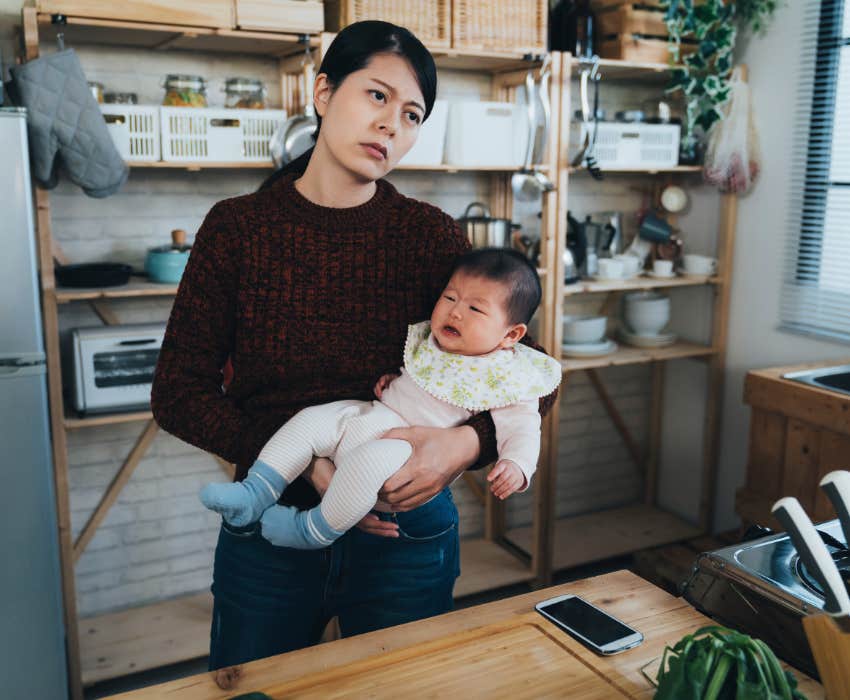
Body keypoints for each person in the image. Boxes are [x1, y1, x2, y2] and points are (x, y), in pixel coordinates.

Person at [151, 20, 558, 670]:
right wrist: (305, 463)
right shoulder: (238, 229)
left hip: (407, 531)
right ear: (322, 92)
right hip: (270, 532)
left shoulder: (431, 238)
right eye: (376, 96)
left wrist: (464, 446)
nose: (392, 124)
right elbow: (178, 394)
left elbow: (534, 376)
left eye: (412, 113)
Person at [199, 248, 561, 549]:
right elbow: (418, 379)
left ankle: (312, 530)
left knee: (366, 465)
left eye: (476, 309)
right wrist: (396, 380)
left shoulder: (509, 376)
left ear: (511, 334)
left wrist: (517, 465)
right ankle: (256, 491)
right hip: (372, 415)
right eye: (450, 297)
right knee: (310, 421)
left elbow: (524, 428)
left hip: (406, 454)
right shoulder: (433, 342)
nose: (455, 311)